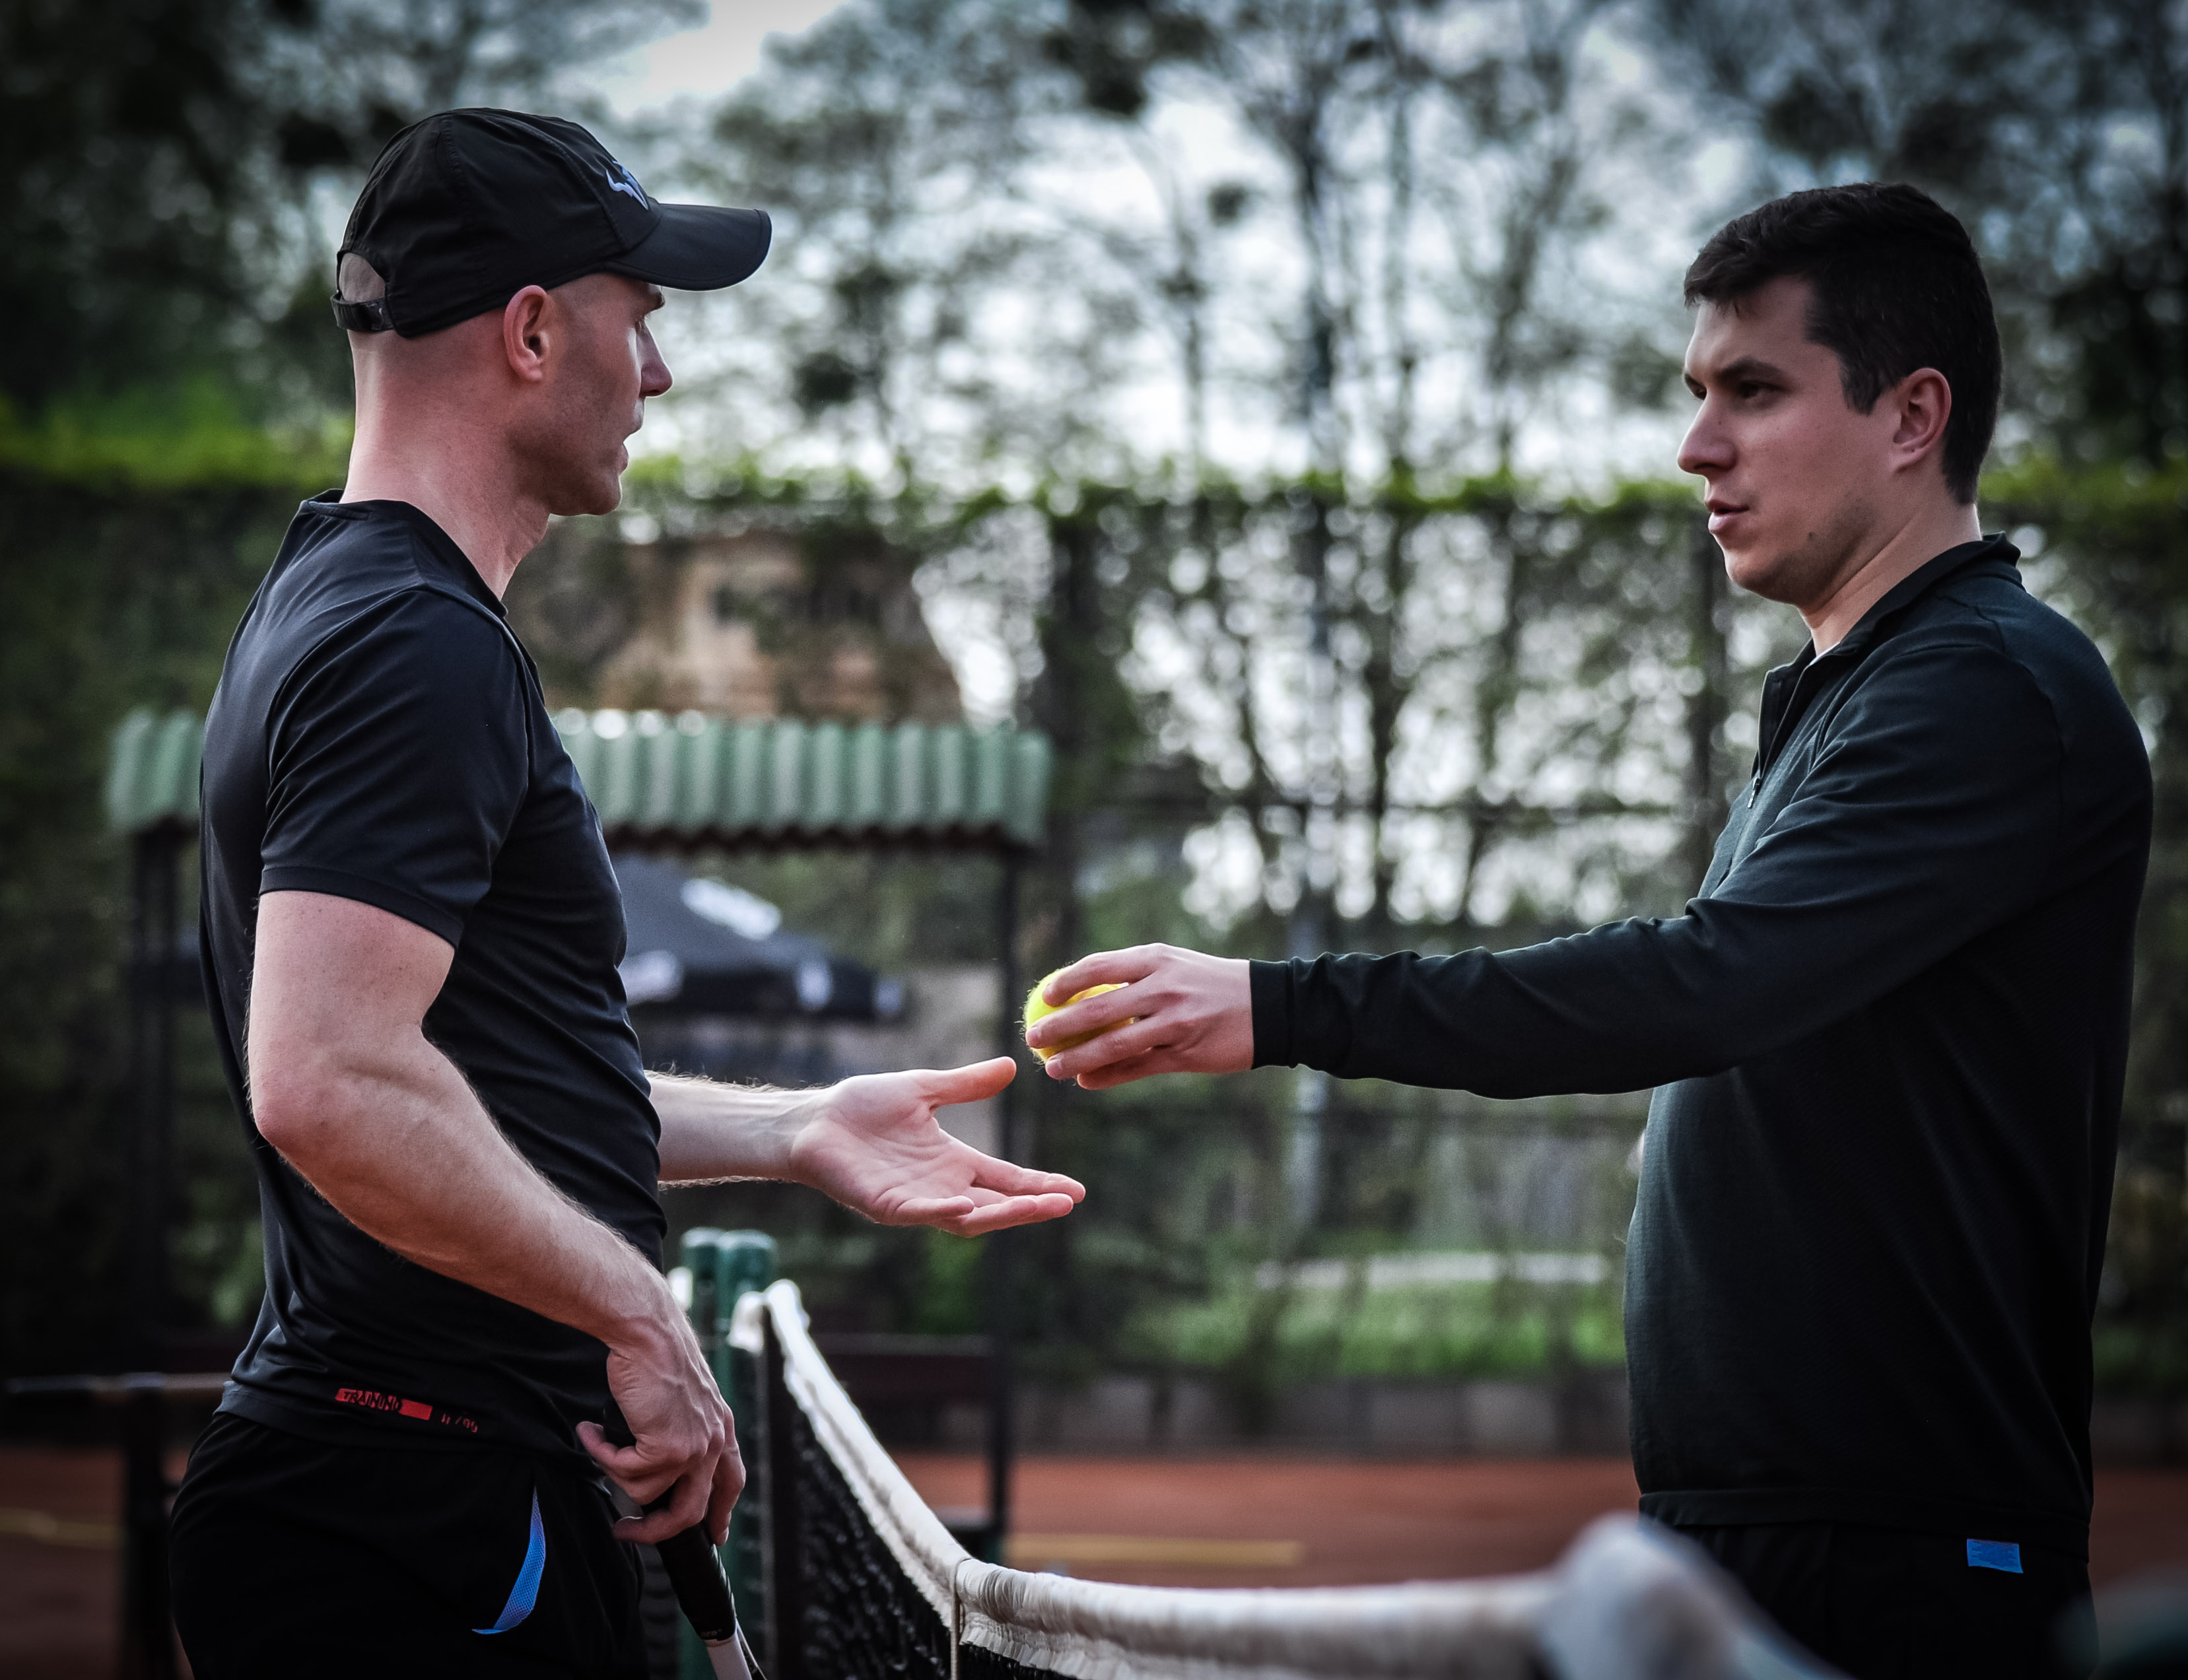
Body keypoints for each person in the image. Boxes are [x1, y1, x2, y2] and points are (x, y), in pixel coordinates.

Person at [1026, 183, 2150, 1680]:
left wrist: (1283, 1005)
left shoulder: (1986, 689)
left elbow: (1708, 981)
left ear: (1910, 415)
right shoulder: (1855, 693)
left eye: (1752, 392)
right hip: (1775, 1529)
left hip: (1899, 1555)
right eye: (1697, 396)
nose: (1697, 447)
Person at [169, 109, 1083, 1679]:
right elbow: (327, 1080)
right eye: (639, 319)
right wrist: (636, 1310)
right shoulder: (413, 644)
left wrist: (794, 1131)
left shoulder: (339, 597)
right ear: (532, 331)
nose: (658, 376)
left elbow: (463, 1075)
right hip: (415, 1520)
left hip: (414, 1496)